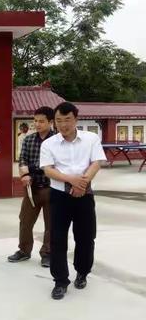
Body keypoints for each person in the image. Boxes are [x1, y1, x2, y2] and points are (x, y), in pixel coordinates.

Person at [40, 102, 106, 300]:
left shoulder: (91, 139)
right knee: (58, 238)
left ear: (76, 119)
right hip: (59, 195)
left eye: (67, 120)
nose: (63, 124)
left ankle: (82, 272)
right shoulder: (49, 144)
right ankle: (60, 281)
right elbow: (48, 169)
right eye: (58, 121)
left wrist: (82, 184)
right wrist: (71, 180)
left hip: (85, 194)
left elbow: (97, 162)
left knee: (86, 237)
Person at [8, 106, 55, 267]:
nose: (37, 124)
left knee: (51, 223)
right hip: (32, 188)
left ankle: (47, 253)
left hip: (52, 187)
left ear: (50, 122)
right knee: (25, 220)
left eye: (41, 121)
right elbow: (22, 160)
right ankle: (24, 250)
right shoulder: (29, 139)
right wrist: (24, 175)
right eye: (35, 121)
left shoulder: (57, 140)